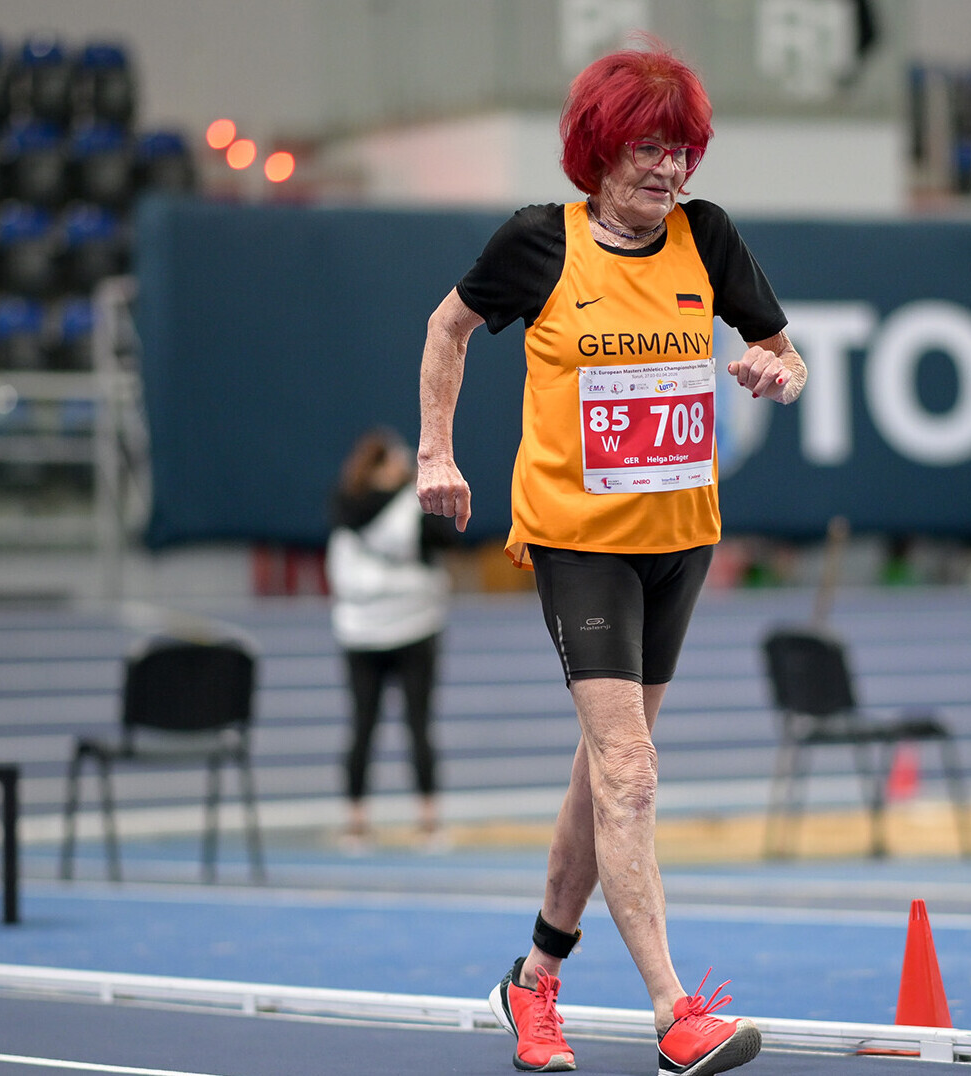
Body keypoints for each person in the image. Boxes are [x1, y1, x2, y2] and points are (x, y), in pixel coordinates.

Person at [414, 37, 805, 1076]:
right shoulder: (538, 245)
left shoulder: (705, 238)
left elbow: (785, 349)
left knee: (605, 770)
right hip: (577, 543)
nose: (667, 169)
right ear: (595, 149)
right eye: (645, 148)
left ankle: (534, 976)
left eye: (680, 150)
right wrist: (435, 452)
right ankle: (675, 1011)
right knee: (630, 771)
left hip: (678, 542)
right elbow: (447, 329)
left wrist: (775, 369)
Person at [326, 428, 454, 852]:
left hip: (359, 629)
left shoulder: (341, 507)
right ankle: (429, 822)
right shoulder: (413, 508)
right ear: (384, 466)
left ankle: (355, 823)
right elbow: (446, 543)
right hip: (414, 626)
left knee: (363, 726)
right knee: (418, 726)